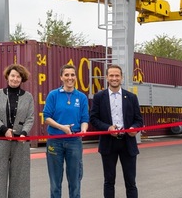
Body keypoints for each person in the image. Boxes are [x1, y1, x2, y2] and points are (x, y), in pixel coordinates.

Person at [90, 64, 144, 198]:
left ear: (122, 78)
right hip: (108, 143)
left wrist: (134, 129)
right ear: (107, 78)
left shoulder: (131, 97)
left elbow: (139, 120)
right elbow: (93, 118)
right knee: (109, 181)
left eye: (117, 75)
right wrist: (107, 128)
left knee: (131, 182)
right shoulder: (99, 97)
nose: (114, 78)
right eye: (111, 75)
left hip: (128, 142)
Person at [0, 63, 35, 198]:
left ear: (22, 79)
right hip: (1, 139)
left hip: (20, 141)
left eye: (18, 77)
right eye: (13, 75)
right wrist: (3, 129)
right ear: (7, 77)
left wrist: (24, 133)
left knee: (20, 175)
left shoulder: (28, 97)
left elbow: (30, 118)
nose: (15, 79)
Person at [43, 63, 89, 198]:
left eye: (72, 75)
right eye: (67, 75)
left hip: (74, 141)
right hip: (55, 142)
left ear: (76, 77)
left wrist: (83, 129)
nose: (70, 78)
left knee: (75, 180)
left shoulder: (81, 97)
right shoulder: (53, 95)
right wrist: (62, 127)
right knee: (55, 181)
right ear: (61, 77)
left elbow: (85, 119)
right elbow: (46, 117)